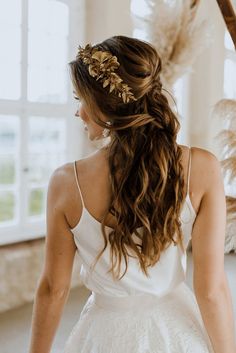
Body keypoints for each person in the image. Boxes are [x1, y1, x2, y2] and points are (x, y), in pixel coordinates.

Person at [29, 35, 236, 353]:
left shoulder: (65, 182)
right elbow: (211, 289)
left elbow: (53, 289)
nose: (78, 113)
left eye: (80, 100)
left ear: (104, 103)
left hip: (102, 334)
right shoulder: (202, 168)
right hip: (177, 332)